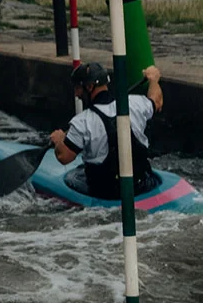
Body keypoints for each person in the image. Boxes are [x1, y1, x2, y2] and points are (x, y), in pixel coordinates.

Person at [49, 61, 163, 199]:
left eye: (78, 88)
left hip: (104, 193)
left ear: (89, 87)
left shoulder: (82, 122)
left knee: (80, 173)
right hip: (139, 186)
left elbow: (64, 157)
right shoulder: (134, 103)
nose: (76, 94)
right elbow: (157, 101)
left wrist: (59, 140)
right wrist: (153, 80)